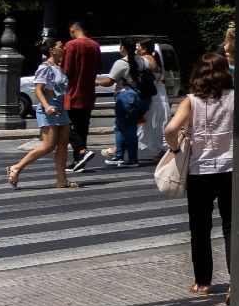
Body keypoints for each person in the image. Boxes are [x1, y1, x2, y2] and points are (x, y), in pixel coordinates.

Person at [163, 52, 236, 300]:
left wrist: (175, 149)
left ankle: (203, 282)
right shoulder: (236, 98)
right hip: (231, 169)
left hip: (199, 172)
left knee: (200, 229)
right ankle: (235, 284)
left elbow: (171, 129)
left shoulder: (191, 101)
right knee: (232, 227)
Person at [8, 38, 78, 189]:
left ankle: (62, 180)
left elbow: (63, 91)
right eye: (61, 46)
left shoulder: (59, 68)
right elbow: (38, 90)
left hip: (61, 110)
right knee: (48, 145)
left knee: (63, 145)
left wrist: (67, 106)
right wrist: (46, 106)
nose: (64, 48)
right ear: (52, 49)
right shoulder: (45, 67)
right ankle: (16, 167)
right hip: (49, 110)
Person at [98, 38, 151, 167]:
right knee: (121, 127)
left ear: (123, 48)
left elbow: (109, 82)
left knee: (128, 129)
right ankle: (119, 156)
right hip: (142, 98)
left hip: (126, 97)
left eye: (120, 45)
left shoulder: (120, 63)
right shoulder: (143, 61)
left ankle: (133, 159)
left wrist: (95, 82)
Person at [62, 20, 101, 173]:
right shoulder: (95, 45)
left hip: (73, 92)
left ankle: (82, 151)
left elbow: (67, 70)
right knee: (82, 128)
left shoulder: (71, 45)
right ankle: (78, 160)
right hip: (88, 93)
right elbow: (99, 68)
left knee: (66, 126)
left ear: (73, 30)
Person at [136, 39, 170, 157]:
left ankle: (119, 148)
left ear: (144, 48)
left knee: (152, 124)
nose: (137, 49)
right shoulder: (153, 58)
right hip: (159, 97)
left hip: (154, 98)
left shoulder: (147, 59)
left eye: (138, 47)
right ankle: (162, 149)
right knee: (155, 124)